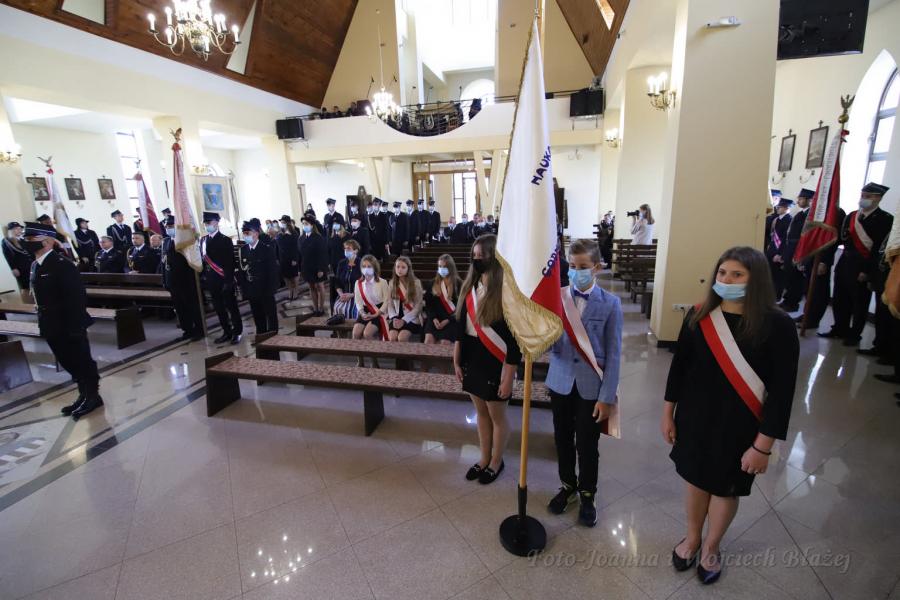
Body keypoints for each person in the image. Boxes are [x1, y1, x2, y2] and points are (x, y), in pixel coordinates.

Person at [662, 246, 798, 584]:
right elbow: (678, 371)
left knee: (725, 488)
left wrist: (763, 446)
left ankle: (711, 546)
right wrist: (668, 414)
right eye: (722, 273)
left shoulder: (778, 325)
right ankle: (692, 537)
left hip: (740, 426)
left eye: (737, 275)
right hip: (695, 419)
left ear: (756, 279)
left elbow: (782, 393)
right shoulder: (698, 316)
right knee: (695, 480)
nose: (727, 280)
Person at [546, 239, 623, 527]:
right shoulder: (556, 298)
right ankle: (568, 486)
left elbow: (613, 355)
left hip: (591, 387)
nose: (576, 271)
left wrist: (607, 397)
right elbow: (549, 342)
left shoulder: (611, 304)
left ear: (597, 268)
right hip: (560, 381)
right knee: (562, 438)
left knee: (587, 443)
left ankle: (588, 494)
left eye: (583, 267)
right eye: (573, 266)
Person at [454, 234, 522, 484]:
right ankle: (483, 458)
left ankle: (496, 461)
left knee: (497, 416)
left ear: (495, 258)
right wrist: (456, 360)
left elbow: (514, 340)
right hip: (472, 355)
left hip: (497, 359)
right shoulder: (469, 287)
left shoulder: (507, 292)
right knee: (481, 413)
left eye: (482, 255)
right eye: (474, 255)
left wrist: (509, 376)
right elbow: (460, 327)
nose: (477, 259)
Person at [23, 222, 103, 420]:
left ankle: (92, 396)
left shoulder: (61, 264)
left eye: (31, 239)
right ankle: (83, 394)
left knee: (81, 359)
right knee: (66, 359)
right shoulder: (35, 265)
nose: (26, 242)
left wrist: (76, 326)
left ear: (47, 242)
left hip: (68, 322)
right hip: (49, 321)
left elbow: (76, 297)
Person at [820, 183, 893, 346]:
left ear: (878, 198)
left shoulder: (885, 219)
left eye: (868, 196)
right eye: (862, 195)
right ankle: (840, 328)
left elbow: (878, 248)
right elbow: (840, 239)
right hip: (845, 262)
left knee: (859, 302)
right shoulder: (852, 216)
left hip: (863, 265)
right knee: (840, 298)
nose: (863, 199)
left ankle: (854, 334)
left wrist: (867, 271)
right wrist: (825, 258)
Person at [800, 206, 847, 330]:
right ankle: (806, 315)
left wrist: (824, 261)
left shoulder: (835, 212)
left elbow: (833, 239)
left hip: (822, 258)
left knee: (818, 290)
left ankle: (813, 320)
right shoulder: (819, 208)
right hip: (812, 254)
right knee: (808, 287)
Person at [200, 212, 242, 344]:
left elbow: (230, 263)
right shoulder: (203, 240)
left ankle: (237, 332)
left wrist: (228, 282)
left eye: (209, 223)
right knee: (219, 308)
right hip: (211, 280)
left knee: (231, 307)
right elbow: (203, 262)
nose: (207, 226)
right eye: (205, 223)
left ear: (216, 223)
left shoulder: (225, 240)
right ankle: (226, 331)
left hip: (224, 279)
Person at [160, 216, 203, 340]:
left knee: (192, 306)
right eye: (167, 226)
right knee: (180, 308)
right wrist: (165, 281)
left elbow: (191, 261)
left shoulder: (185, 241)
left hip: (185, 281)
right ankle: (187, 330)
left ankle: (199, 330)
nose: (168, 228)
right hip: (172, 281)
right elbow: (163, 262)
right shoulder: (166, 241)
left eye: (171, 226)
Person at [238, 221, 280, 334]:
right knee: (257, 314)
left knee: (270, 314)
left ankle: (273, 335)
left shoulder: (266, 249)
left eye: (248, 233)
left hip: (265, 288)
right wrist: (244, 290)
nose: (245, 236)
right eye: (244, 233)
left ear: (256, 233)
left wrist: (271, 289)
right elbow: (242, 272)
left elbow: (272, 271)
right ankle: (261, 334)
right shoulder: (243, 250)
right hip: (252, 288)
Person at [777, 189, 815, 312]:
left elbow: (807, 237)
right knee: (789, 277)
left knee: (797, 279)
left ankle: (793, 303)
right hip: (791, 248)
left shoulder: (811, 216)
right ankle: (787, 300)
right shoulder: (799, 214)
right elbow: (789, 235)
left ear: (809, 200)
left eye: (801, 199)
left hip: (800, 249)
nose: (798, 201)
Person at [423, 254, 461, 345]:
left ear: (451, 268)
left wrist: (447, 320)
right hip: (435, 319)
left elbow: (460, 307)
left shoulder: (459, 284)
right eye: (440, 266)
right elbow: (429, 305)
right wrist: (434, 318)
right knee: (428, 341)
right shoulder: (432, 283)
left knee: (444, 342)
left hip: (451, 320)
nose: (442, 269)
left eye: (445, 267)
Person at [384, 255, 424, 341]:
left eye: (403, 267)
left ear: (408, 269)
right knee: (392, 337)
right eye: (398, 267)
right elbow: (389, 303)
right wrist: (394, 318)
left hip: (411, 318)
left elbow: (418, 306)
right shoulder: (392, 283)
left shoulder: (416, 283)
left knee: (402, 337)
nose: (400, 270)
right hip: (396, 316)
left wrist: (404, 320)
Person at [353, 254, 390, 342]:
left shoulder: (382, 282)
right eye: (364, 266)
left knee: (367, 333)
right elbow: (358, 301)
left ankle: (374, 351)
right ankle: (359, 351)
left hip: (379, 311)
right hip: (365, 311)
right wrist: (362, 313)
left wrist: (376, 314)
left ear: (374, 268)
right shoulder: (358, 283)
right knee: (356, 333)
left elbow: (387, 301)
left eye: (369, 266)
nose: (366, 269)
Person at [299, 215, 328, 316]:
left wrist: (321, 269)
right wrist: (300, 269)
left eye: (306, 224)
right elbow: (300, 255)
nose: (304, 226)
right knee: (311, 287)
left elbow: (322, 254)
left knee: (320, 286)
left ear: (312, 225)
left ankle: (321, 308)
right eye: (303, 224)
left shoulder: (318, 238)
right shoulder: (301, 238)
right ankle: (315, 308)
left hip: (318, 266)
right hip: (307, 267)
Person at [765, 198, 793, 300]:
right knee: (771, 273)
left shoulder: (789, 220)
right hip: (772, 249)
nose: (777, 209)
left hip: (779, 251)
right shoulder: (777, 219)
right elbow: (772, 234)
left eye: (780, 207)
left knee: (778, 276)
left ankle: (776, 296)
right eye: (778, 207)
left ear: (786, 208)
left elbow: (786, 239)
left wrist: (780, 254)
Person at [3, 221, 34, 303]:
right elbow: (8, 255)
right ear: (12, 230)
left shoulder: (22, 239)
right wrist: (13, 268)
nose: (20, 230)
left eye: (20, 228)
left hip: (29, 265)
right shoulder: (6, 241)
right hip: (21, 267)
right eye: (17, 229)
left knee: (32, 285)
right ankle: (28, 305)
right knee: (25, 287)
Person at [334, 239, 362, 318]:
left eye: (349, 249)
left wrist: (351, 295)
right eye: (345, 248)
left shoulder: (361, 263)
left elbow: (364, 285)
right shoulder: (341, 263)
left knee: (353, 310)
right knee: (338, 308)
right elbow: (337, 282)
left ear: (355, 251)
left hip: (357, 295)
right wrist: (341, 294)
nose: (346, 251)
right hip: (344, 295)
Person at [277, 215, 301, 302]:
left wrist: (295, 259)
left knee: (293, 275)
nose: (282, 224)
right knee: (286, 276)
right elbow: (278, 246)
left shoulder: (294, 234)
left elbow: (296, 248)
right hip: (283, 258)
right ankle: (290, 290)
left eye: (283, 222)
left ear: (288, 223)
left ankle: (296, 291)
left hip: (292, 257)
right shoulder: (280, 234)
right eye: (281, 222)